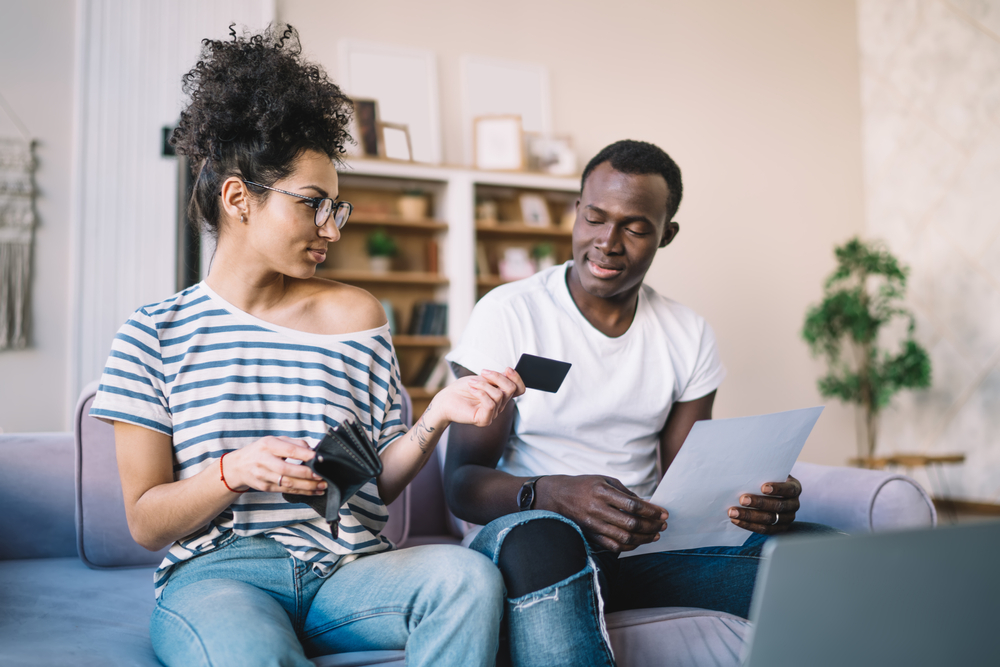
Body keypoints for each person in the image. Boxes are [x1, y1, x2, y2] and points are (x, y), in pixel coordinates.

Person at [90, 25, 524, 667]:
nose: (331, 229)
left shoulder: (357, 316)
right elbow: (147, 522)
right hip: (220, 577)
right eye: (313, 205)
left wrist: (436, 417)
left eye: (337, 209)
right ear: (239, 198)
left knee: (466, 578)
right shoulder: (153, 334)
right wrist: (231, 472)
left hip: (349, 569)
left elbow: (373, 481)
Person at [444, 139, 835, 666]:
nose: (607, 242)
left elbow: (691, 482)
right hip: (533, 541)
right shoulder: (509, 314)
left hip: (643, 552)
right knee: (546, 542)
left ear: (665, 234)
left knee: (821, 553)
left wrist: (758, 502)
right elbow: (462, 483)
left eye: (634, 226)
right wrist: (558, 496)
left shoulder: (687, 333)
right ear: (576, 212)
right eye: (595, 218)